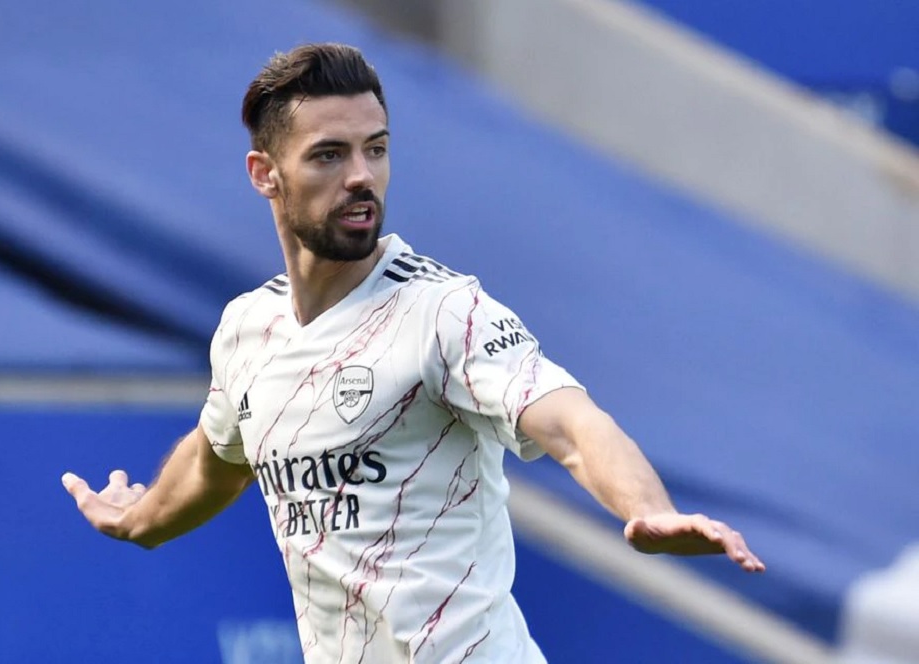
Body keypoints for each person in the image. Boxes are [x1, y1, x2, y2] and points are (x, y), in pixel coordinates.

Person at [62, 42, 764, 663]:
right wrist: (139, 520)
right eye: (330, 155)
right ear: (264, 173)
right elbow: (216, 459)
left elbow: (572, 424)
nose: (361, 175)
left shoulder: (444, 312)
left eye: (376, 148)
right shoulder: (247, 328)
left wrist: (647, 507)